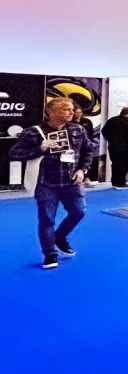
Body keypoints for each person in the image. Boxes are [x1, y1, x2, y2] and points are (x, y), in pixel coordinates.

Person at [10, 97, 93, 269]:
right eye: (66, 109)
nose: (72, 112)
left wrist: (82, 170)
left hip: (71, 181)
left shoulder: (78, 130)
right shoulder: (33, 132)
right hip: (45, 183)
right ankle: (50, 254)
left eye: (72, 109)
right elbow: (14, 153)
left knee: (79, 212)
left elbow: (88, 151)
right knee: (47, 219)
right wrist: (40, 148)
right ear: (51, 112)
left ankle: (60, 237)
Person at [101, 106, 128, 189]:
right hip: (125, 147)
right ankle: (121, 182)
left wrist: (110, 140)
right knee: (124, 165)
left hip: (113, 146)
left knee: (115, 164)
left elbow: (104, 131)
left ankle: (115, 181)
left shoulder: (112, 120)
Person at [71, 104, 98, 188]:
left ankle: (86, 178)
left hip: (86, 145)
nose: (78, 114)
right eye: (76, 112)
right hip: (74, 146)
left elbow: (90, 133)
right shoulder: (70, 123)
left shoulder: (87, 122)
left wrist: (90, 142)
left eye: (80, 112)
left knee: (87, 160)